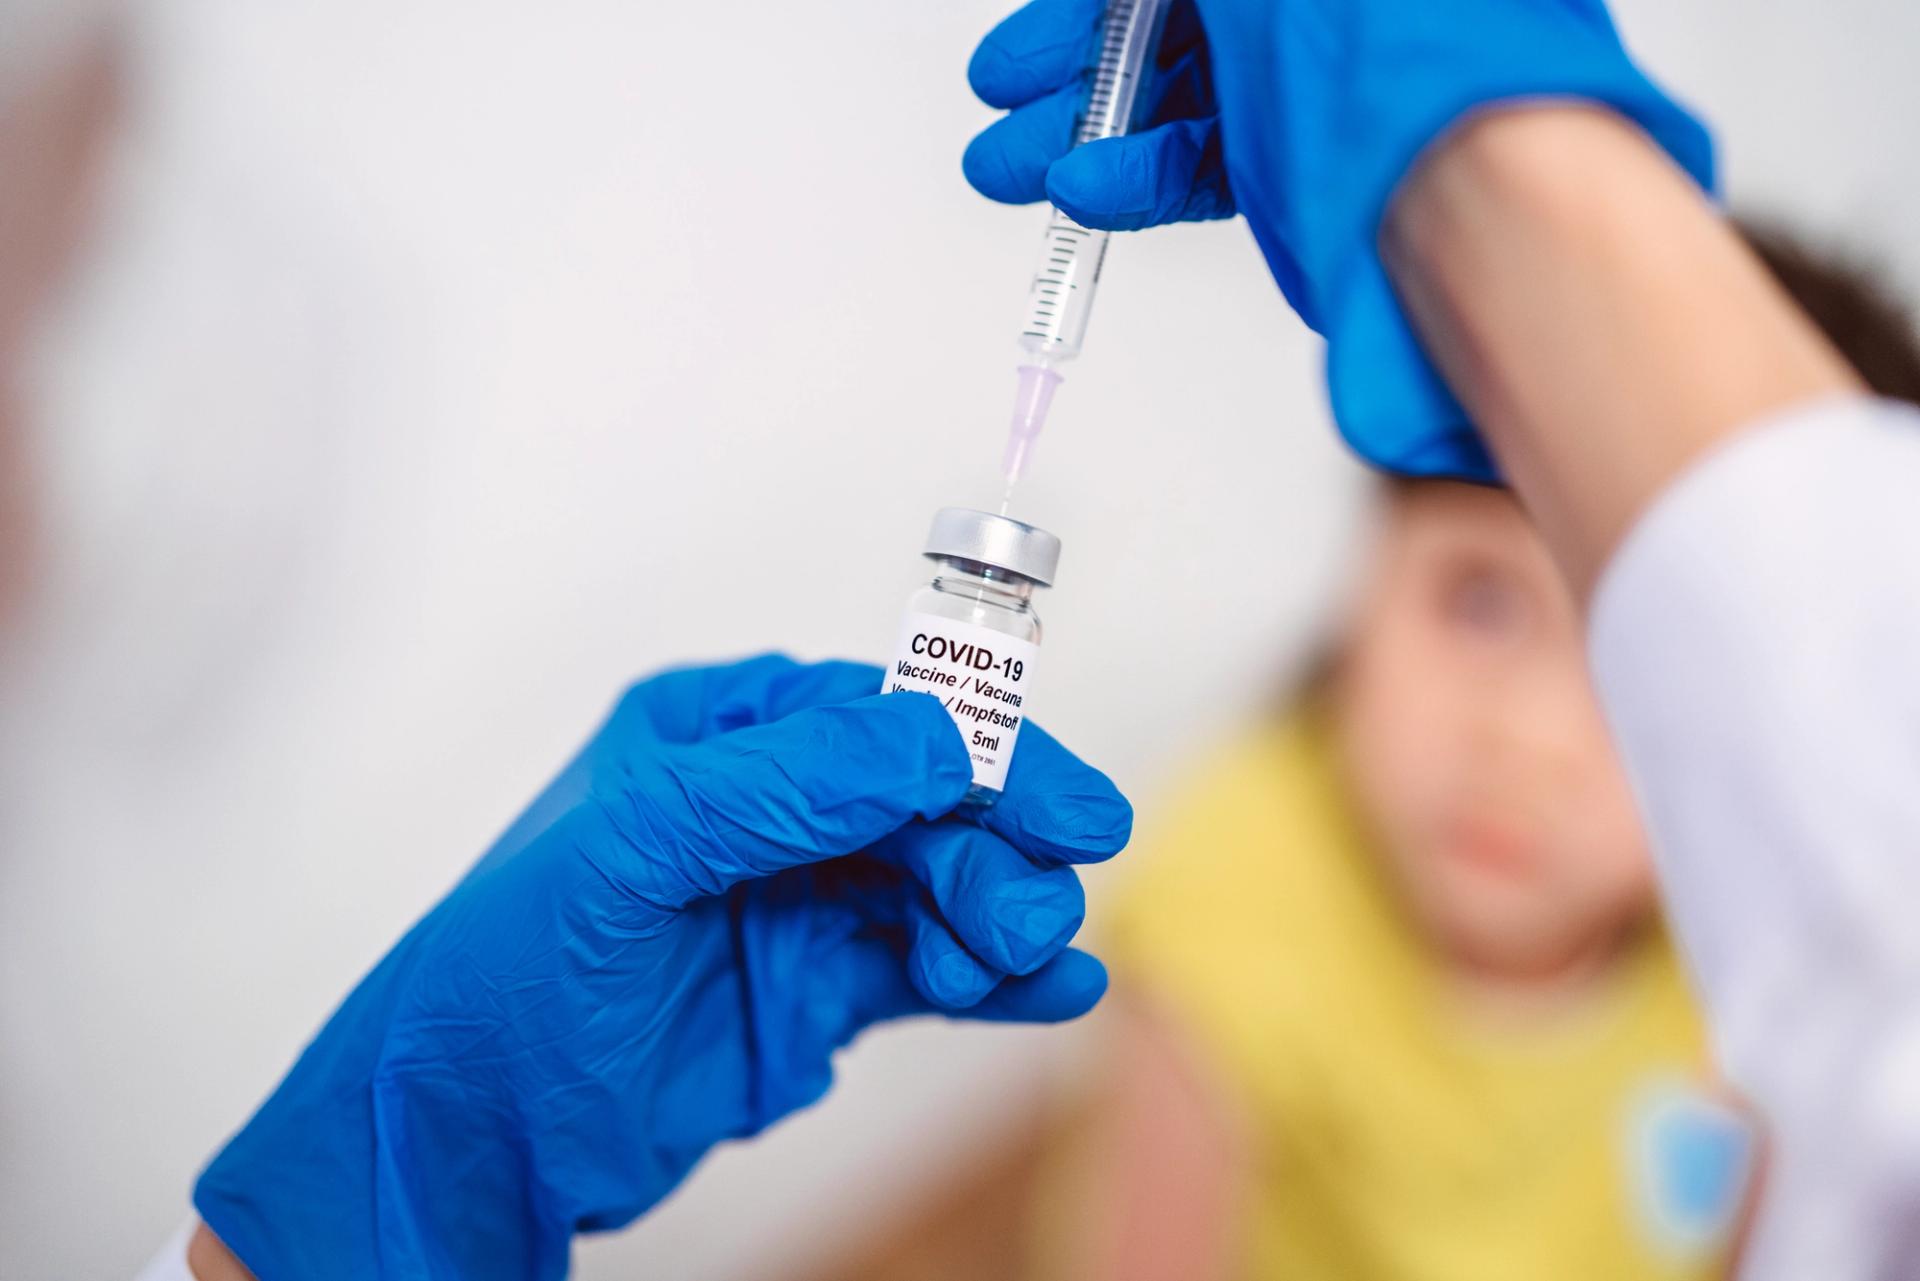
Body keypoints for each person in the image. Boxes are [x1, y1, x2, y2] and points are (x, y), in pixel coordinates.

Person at [153, 0, 1920, 1276]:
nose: (1532, 738)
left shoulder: (1757, 953)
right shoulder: (1245, 886)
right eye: (1474, 602)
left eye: (1624, 665)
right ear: (1359, 573)